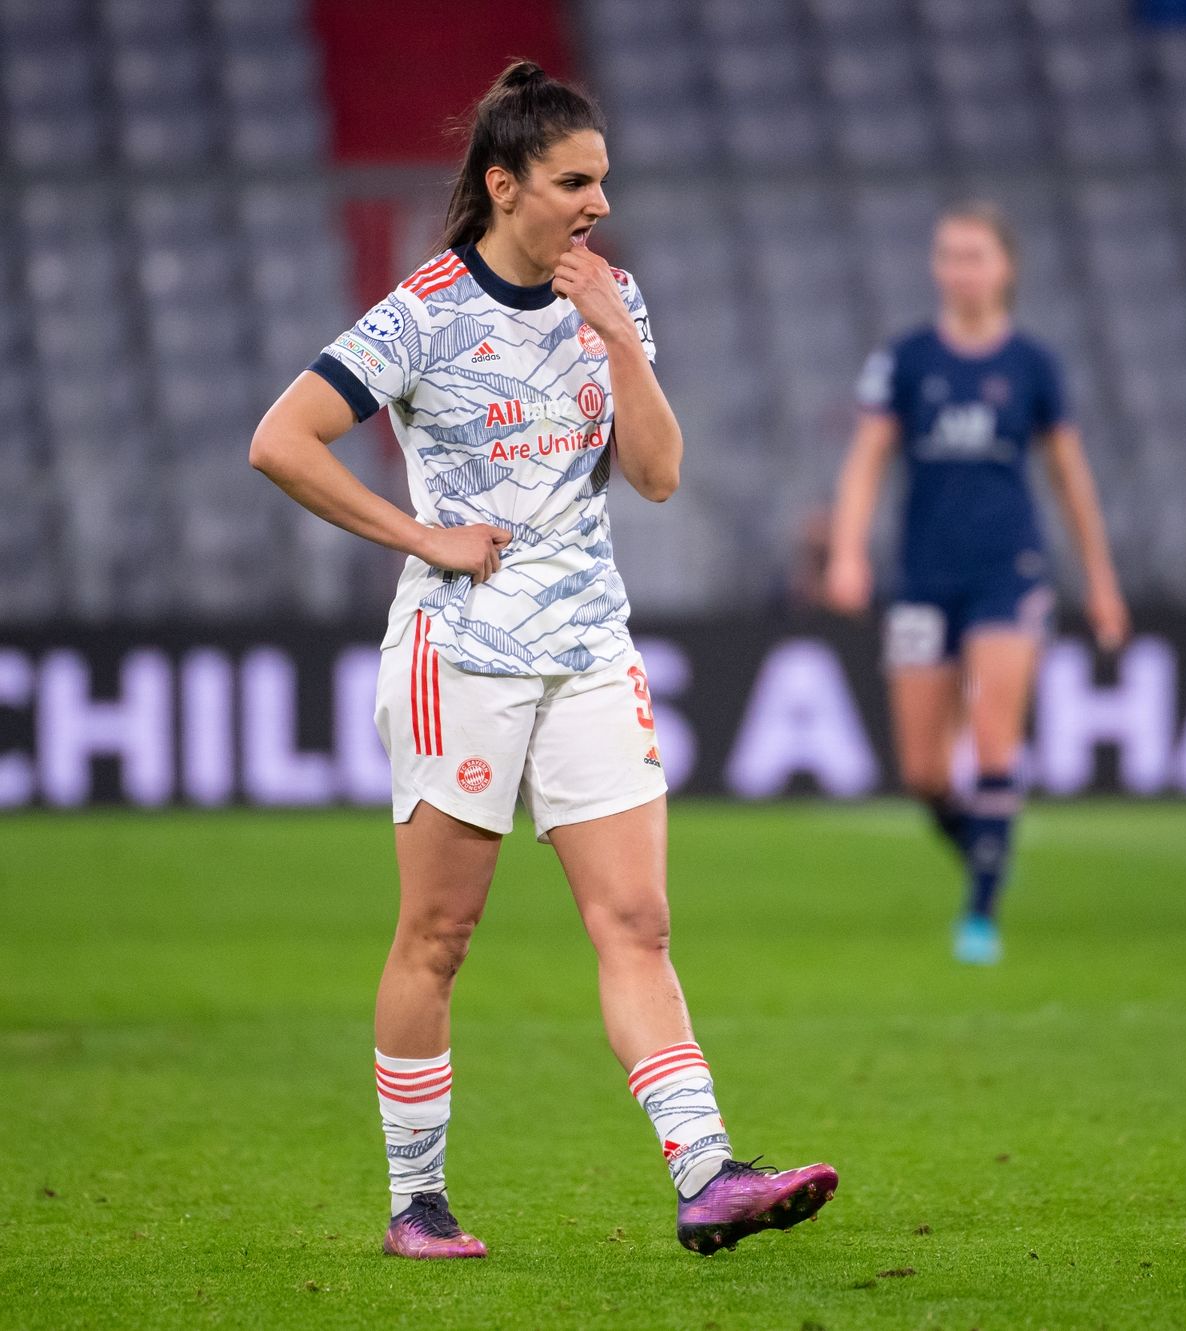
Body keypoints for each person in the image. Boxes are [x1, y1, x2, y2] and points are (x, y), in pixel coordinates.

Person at [249, 62, 836, 1259]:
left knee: (637, 920)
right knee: (438, 935)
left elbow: (657, 475)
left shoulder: (610, 298)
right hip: (458, 653)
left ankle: (705, 1169)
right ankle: (416, 1199)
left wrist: (617, 335)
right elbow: (280, 440)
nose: (597, 203)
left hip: (588, 647)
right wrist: (422, 535)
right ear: (503, 185)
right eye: (574, 182)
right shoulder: (422, 312)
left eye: (602, 180)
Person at [823, 202, 1128, 965]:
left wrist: (1100, 578)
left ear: (1005, 268)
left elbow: (1070, 477)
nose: (958, 270)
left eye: (973, 255)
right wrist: (847, 552)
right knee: (924, 772)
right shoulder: (906, 359)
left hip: (1009, 571)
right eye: (948, 255)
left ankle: (981, 913)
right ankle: (987, 848)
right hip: (924, 577)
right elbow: (866, 460)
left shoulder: (1033, 365)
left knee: (994, 736)